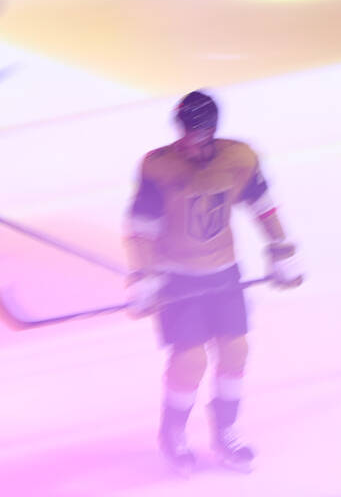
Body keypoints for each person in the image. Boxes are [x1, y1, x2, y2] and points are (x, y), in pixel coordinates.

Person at [123, 91, 303, 474]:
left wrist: (282, 248)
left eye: (199, 134)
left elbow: (263, 205)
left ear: (213, 130)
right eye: (185, 133)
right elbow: (140, 228)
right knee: (190, 360)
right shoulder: (159, 166)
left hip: (224, 272)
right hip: (177, 276)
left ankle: (226, 430)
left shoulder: (239, 158)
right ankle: (173, 433)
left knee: (235, 352)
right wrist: (144, 275)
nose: (191, 142)